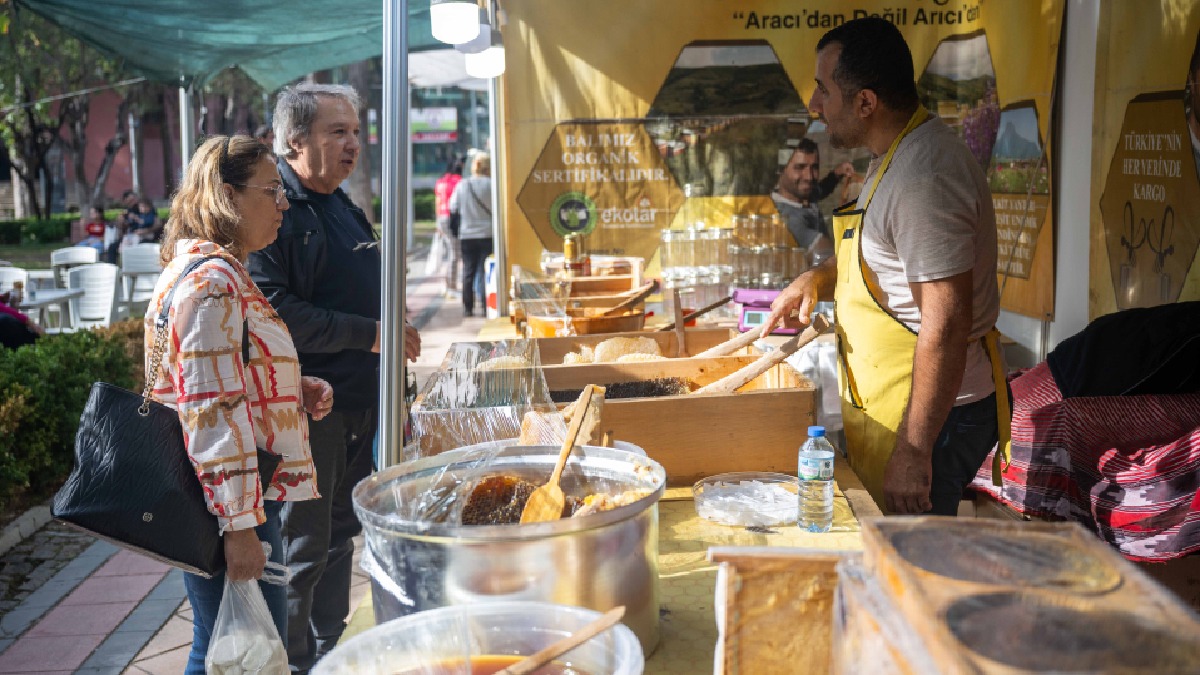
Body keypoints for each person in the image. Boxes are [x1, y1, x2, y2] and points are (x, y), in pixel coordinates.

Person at [761, 17, 1010, 517]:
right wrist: (817, 277)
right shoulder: (893, 156)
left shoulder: (925, 178)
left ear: (866, 102)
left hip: (934, 420)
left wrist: (914, 452)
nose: (814, 103)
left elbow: (946, 321)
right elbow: (880, 252)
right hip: (898, 406)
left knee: (909, 558)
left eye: (824, 89)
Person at [248, 83, 421, 673]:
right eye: (337, 132)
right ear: (295, 142)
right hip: (310, 409)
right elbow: (275, 312)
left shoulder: (341, 203)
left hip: (361, 403)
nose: (353, 144)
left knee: (341, 532)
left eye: (355, 131)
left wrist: (390, 322)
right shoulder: (276, 211)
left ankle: (329, 646)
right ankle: (293, 659)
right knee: (303, 546)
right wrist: (370, 333)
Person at [145, 135, 332, 674]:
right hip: (227, 504)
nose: (283, 203)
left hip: (222, 497)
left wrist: (290, 389)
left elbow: (217, 379)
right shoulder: (212, 284)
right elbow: (210, 410)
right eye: (271, 190)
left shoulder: (207, 270)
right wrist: (240, 528)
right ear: (227, 195)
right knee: (239, 651)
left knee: (225, 645)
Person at [770, 138, 855, 260]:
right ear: (780, 170)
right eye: (799, 167)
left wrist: (837, 173)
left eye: (814, 167)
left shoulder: (802, 195)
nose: (809, 177)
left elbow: (821, 190)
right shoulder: (786, 219)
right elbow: (831, 258)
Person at [449, 152, 494, 317]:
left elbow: (453, 207)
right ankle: (484, 306)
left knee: (468, 271)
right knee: (483, 270)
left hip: (467, 234)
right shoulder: (492, 184)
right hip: (487, 233)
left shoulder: (463, 185)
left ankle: (468, 307)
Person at [431, 157, 463, 293]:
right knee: (454, 252)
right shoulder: (458, 181)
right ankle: (451, 284)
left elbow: (438, 202)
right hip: (453, 219)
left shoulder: (440, 182)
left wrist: (438, 222)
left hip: (442, 218)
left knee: (451, 250)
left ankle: (450, 282)